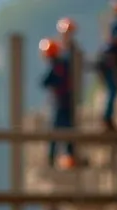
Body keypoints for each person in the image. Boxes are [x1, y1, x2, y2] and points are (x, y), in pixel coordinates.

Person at [39, 37, 75, 167]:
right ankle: (69, 156)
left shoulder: (57, 66)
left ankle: (53, 158)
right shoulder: (63, 63)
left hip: (61, 103)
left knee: (56, 130)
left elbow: (44, 82)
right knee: (68, 130)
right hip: (66, 102)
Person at [97, 2, 117, 130]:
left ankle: (107, 117)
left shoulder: (116, 22)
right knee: (112, 89)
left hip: (107, 59)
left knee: (111, 89)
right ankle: (107, 118)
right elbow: (116, 40)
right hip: (109, 60)